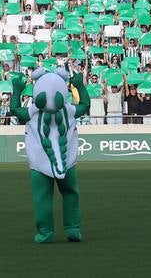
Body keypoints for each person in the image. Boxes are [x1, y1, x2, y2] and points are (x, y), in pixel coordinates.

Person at [9, 67, 90, 244]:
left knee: (42, 198)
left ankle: (46, 232)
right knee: (70, 193)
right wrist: (80, 86)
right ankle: (72, 229)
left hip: (39, 162)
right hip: (66, 161)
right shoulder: (68, 110)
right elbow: (85, 105)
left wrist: (17, 90)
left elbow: (15, 109)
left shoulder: (33, 111)